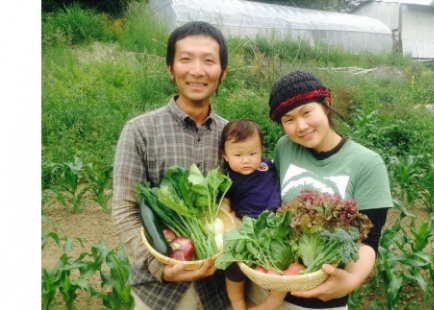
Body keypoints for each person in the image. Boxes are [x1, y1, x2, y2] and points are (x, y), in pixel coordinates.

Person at [246, 70, 393, 310]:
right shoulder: (285, 147)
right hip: (269, 287)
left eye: (306, 112)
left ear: (326, 105)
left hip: (320, 299)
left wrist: (350, 281)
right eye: (289, 119)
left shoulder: (368, 163)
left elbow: (370, 240)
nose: (301, 126)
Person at [112, 21, 232, 310]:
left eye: (209, 61)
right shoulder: (140, 130)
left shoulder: (232, 135)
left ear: (223, 72)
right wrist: (160, 267)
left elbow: (237, 201)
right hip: (160, 293)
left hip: (220, 290)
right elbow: (125, 208)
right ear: (170, 68)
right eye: (186, 59)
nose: (197, 70)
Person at [218, 118, 285, 310]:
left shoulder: (268, 167)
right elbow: (225, 200)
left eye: (253, 153)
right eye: (238, 155)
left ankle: (273, 301)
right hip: (244, 225)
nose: (246, 160)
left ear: (262, 150)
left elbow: (279, 185)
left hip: (272, 222)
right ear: (225, 154)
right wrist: (227, 214)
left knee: (283, 263)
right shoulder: (227, 177)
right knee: (232, 263)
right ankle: (237, 302)